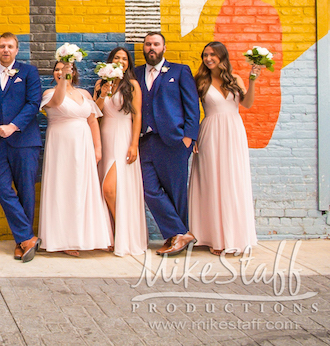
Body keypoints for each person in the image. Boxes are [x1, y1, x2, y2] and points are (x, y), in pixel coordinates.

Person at [189, 41, 261, 255]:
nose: (208, 58)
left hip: (234, 131)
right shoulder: (200, 81)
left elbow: (247, 104)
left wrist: (252, 81)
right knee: (212, 181)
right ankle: (215, 237)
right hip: (210, 131)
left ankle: (235, 235)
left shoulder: (235, 79)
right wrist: (193, 138)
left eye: (212, 54)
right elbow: (192, 111)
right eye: (205, 55)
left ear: (222, 56)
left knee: (233, 181)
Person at [134, 32, 200, 256]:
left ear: (164, 47)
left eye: (156, 44)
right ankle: (181, 233)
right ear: (143, 48)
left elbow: (192, 105)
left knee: (176, 191)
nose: (151, 47)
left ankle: (175, 238)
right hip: (146, 140)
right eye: (148, 44)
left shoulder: (180, 71)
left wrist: (189, 138)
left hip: (174, 141)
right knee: (148, 188)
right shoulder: (135, 73)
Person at [0, 32, 43, 262]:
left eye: (10, 46)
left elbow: (33, 103)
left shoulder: (29, 72)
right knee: (2, 188)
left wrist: (13, 126)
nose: (5, 50)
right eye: (2, 46)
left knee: (26, 191)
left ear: (17, 50)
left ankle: (22, 243)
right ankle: (27, 237)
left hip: (25, 141)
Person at [39, 61, 112, 255]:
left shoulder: (85, 95)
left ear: (74, 71)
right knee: (64, 189)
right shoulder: (49, 94)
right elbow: (57, 102)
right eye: (56, 70)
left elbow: (92, 119)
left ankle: (88, 237)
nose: (59, 72)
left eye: (63, 69)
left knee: (83, 189)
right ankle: (65, 240)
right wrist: (63, 78)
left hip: (84, 145)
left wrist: (98, 148)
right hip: (61, 147)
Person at [93, 47, 147, 256]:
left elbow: (137, 116)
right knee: (104, 189)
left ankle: (124, 233)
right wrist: (103, 92)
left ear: (128, 63)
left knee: (110, 189)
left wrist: (134, 144)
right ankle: (112, 233)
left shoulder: (132, 85)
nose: (120, 61)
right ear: (110, 61)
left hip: (123, 136)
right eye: (116, 57)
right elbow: (95, 111)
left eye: (124, 59)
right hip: (104, 136)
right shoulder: (101, 83)